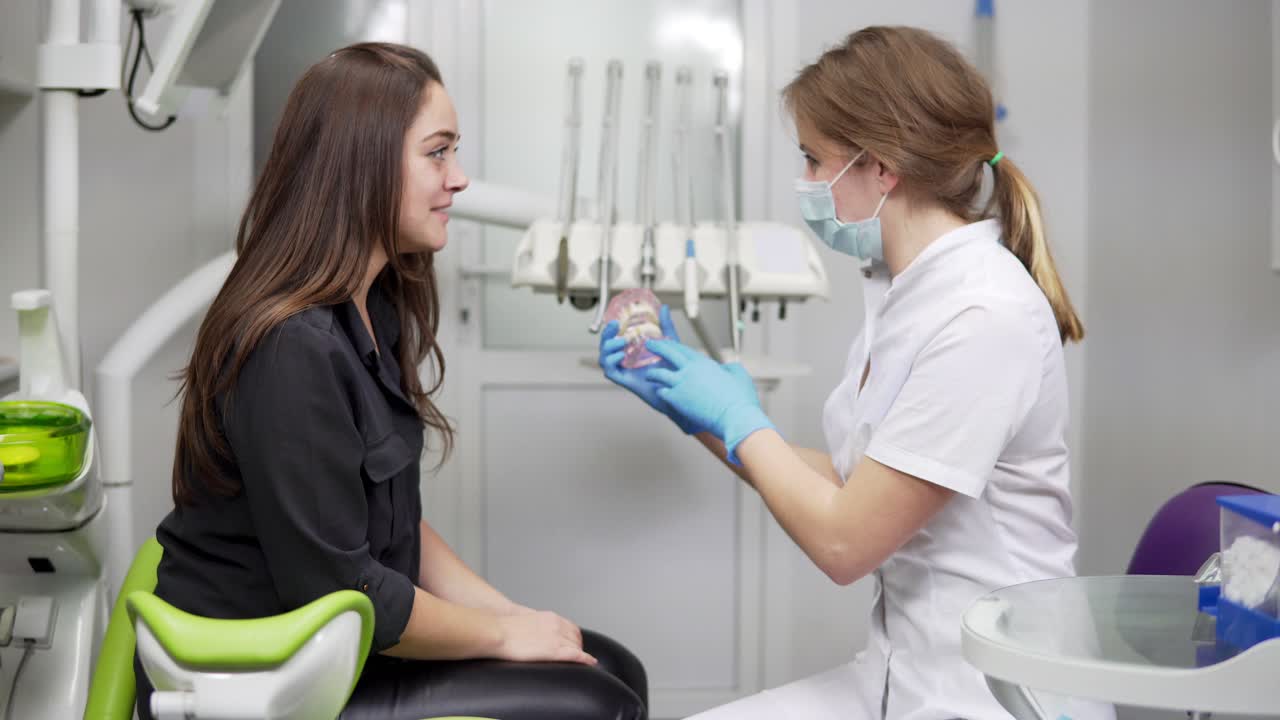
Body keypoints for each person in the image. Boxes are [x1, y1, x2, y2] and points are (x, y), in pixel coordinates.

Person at [139, 42, 646, 720]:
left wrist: (517, 618)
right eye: (438, 152)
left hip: (340, 644)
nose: (459, 178)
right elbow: (338, 589)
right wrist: (501, 635)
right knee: (594, 704)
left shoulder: (373, 309)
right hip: (261, 673)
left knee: (611, 666)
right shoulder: (290, 347)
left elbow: (399, 521)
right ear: (364, 162)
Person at [601, 26, 1085, 720]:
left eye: (811, 159)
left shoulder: (982, 316)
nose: (803, 183)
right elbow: (854, 483)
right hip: (903, 674)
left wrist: (740, 419)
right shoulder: (906, 291)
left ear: (880, 168)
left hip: (984, 696)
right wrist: (698, 412)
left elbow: (845, 540)